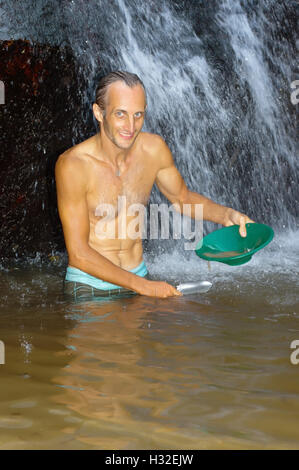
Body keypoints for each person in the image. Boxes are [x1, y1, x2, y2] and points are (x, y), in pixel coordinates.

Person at [55, 71, 254, 299]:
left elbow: (183, 198)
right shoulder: (73, 165)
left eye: (138, 115)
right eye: (120, 114)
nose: (131, 126)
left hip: (139, 276)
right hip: (90, 286)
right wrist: (143, 286)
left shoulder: (154, 150)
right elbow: (79, 253)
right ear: (99, 113)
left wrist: (227, 215)